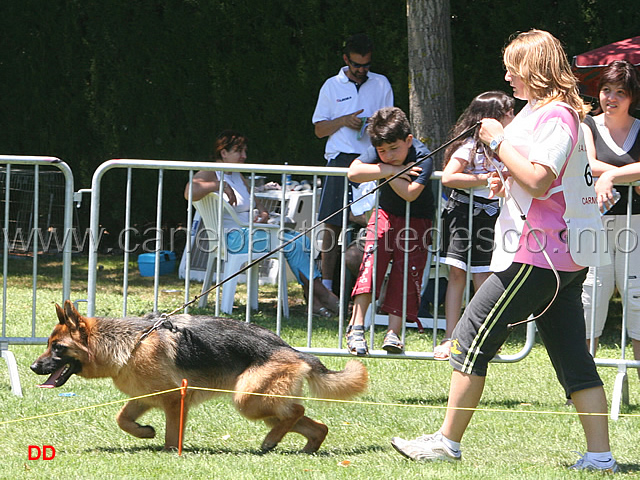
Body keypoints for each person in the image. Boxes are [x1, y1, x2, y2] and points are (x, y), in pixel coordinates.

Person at [391, 29, 618, 472]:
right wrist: (504, 179)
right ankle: (600, 456)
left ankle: (446, 442)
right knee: (574, 357)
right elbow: (533, 179)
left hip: (540, 257)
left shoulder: (557, 116)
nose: (508, 75)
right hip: (558, 256)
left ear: (533, 68)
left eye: (513, 66)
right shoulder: (544, 113)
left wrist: (497, 142)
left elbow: (538, 178)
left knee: (472, 334)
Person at [184, 130, 340, 317]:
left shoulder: (237, 174)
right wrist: (220, 185)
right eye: (239, 151)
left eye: (245, 151)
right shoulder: (211, 172)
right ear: (223, 153)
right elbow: (189, 192)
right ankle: (324, 295)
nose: (244, 156)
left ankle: (315, 300)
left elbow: (254, 199)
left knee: (303, 241)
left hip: (251, 232)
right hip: (233, 238)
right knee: (292, 244)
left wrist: (264, 213)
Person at [344, 107, 434, 355]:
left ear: (409, 140)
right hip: (384, 214)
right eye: (381, 152)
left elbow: (410, 193)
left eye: (394, 149)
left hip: (417, 221)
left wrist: (384, 173)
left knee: (407, 272)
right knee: (371, 264)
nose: (388, 155)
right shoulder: (384, 154)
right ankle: (356, 327)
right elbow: (354, 172)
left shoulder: (424, 156)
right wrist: (392, 171)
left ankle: (394, 333)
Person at [436, 91, 515, 360]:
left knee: (483, 276)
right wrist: (484, 178)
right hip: (461, 213)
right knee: (457, 274)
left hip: (490, 215)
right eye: (508, 112)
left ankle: (482, 336)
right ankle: (450, 336)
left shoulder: (510, 145)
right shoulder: (471, 146)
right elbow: (449, 176)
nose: (513, 117)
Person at [312, 33, 394, 294]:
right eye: (357, 65)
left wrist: (374, 125)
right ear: (346, 59)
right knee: (332, 222)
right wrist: (344, 120)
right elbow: (319, 129)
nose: (361, 70)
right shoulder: (331, 85)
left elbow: (391, 124)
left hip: (371, 159)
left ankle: (369, 288)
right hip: (339, 160)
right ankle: (326, 287)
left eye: (366, 65)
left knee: (372, 220)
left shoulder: (381, 83)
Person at [580, 59, 640, 378]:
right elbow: (586, 163)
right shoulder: (587, 125)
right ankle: (583, 382)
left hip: (636, 227)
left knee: (637, 300)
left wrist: (609, 177)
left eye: (620, 91)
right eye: (606, 89)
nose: (611, 97)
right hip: (594, 225)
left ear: (632, 96)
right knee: (590, 296)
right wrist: (621, 176)